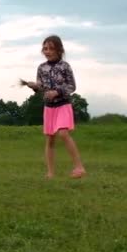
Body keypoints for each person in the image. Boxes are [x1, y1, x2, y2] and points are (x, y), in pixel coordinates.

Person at [26, 35, 87, 179]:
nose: (47, 51)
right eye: (45, 48)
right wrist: (35, 87)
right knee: (50, 140)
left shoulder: (65, 66)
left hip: (63, 105)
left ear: (59, 50)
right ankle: (50, 173)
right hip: (49, 108)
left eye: (51, 48)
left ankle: (79, 168)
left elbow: (72, 86)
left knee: (64, 133)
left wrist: (57, 92)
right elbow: (41, 86)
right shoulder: (41, 68)